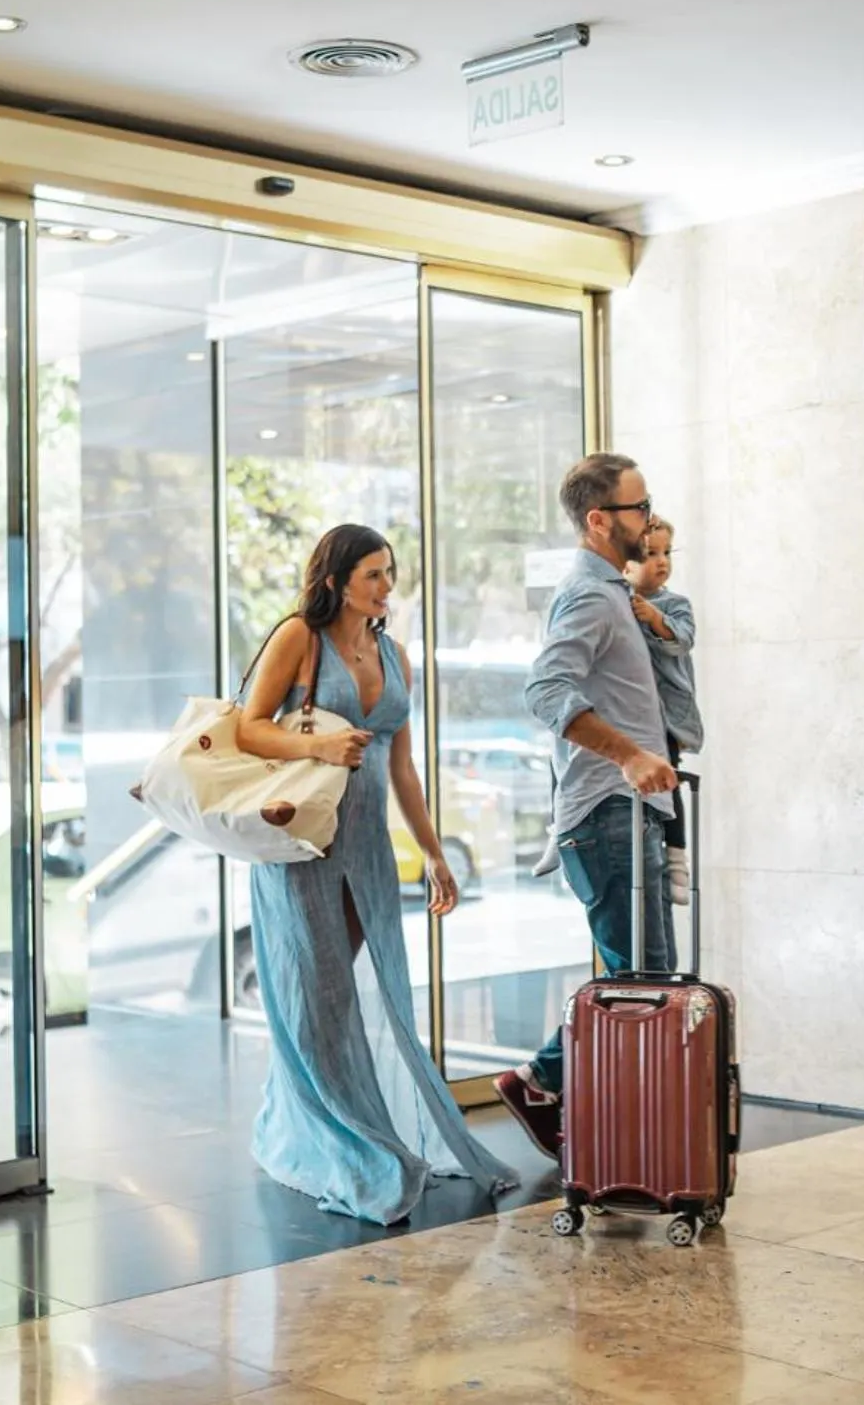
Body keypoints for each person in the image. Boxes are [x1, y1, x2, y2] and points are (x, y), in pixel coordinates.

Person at [235, 523, 519, 1223]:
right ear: (336, 578)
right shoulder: (299, 636)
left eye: (390, 572)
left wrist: (433, 850)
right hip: (300, 843)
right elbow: (247, 727)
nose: (386, 585)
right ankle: (345, 1142)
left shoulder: (395, 655)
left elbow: (401, 764)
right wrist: (323, 741)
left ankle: (293, 1120)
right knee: (314, 995)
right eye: (372, 573)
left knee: (347, 996)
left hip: (365, 847)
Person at [496, 454, 679, 1159]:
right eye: (638, 506)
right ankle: (542, 1080)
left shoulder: (614, 594)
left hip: (627, 813)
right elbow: (545, 690)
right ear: (599, 520)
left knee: (641, 977)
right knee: (640, 980)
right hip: (606, 812)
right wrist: (628, 754)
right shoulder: (590, 596)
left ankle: (592, 1108)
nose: (648, 516)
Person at [625, 515, 702, 908]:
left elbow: (682, 641)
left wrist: (655, 618)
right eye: (650, 553)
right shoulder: (617, 600)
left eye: (666, 552)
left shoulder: (674, 604)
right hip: (635, 719)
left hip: (666, 719)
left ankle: (677, 857)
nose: (661, 561)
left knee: (668, 784)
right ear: (626, 563)